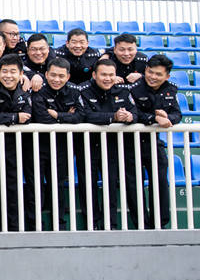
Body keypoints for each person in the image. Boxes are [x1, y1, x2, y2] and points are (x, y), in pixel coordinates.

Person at [77, 59, 140, 229]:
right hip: (88, 146)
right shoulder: (82, 90)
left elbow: (135, 113)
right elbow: (85, 115)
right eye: (103, 74)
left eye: (111, 75)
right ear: (94, 75)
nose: (107, 78)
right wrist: (114, 117)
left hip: (112, 146)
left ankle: (110, 224)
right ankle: (92, 224)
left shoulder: (123, 91)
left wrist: (129, 117)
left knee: (110, 185)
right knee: (87, 186)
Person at [0, 53, 33, 231]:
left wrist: (6, 118)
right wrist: (15, 117)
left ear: (21, 73)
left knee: (14, 184)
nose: (8, 75)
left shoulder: (25, 88)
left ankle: (14, 226)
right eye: (4, 71)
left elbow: (28, 115)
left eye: (12, 72)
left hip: (16, 145)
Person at [31, 57, 84, 229]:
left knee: (58, 185)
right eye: (53, 75)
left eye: (61, 76)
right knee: (35, 186)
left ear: (68, 77)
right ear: (46, 74)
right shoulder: (38, 90)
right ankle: (35, 225)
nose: (56, 79)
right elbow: (42, 117)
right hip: (37, 145)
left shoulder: (74, 91)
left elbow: (80, 116)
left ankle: (59, 224)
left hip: (61, 146)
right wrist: (67, 116)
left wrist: (58, 115)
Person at [130, 54, 181, 229]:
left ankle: (160, 224)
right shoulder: (134, 88)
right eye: (150, 72)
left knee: (160, 183)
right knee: (134, 186)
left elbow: (177, 114)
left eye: (158, 74)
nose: (153, 77)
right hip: (131, 145)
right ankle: (142, 226)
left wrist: (168, 118)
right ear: (145, 70)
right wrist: (155, 118)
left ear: (167, 76)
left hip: (154, 144)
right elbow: (134, 113)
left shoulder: (171, 89)